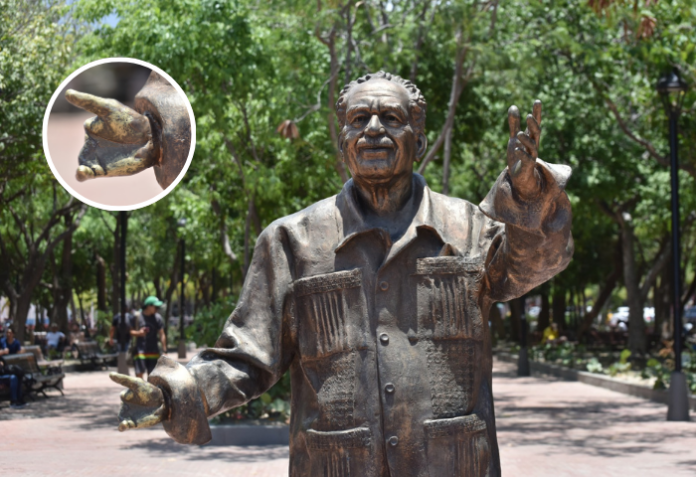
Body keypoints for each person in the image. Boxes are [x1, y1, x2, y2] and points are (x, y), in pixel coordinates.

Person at [110, 72, 573, 476]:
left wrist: (529, 196)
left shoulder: (469, 228)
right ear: (342, 140)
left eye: (390, 118)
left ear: (419, 139)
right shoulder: (292, 241)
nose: (373, 129)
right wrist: (176, 393)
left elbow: (534, 264)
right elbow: (249, 358)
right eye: (358, 119)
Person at [131, 296, 166, 379]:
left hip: (153, 351)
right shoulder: (137, 316)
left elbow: (162, 334)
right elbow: (130, 331)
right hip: (140, 350)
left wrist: (164, 350)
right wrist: (139, 333)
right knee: (139, 374)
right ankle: (140, 387)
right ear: (149, 306)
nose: (157, 309)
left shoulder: (157, 318)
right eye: (156, 307)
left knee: (153, 375)